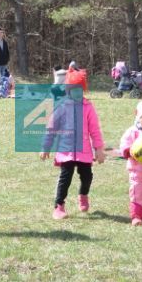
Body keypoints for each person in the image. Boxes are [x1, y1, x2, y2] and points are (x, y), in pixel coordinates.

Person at [40, 84, 106, 219]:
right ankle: (59, 206)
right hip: (66, 151)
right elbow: (51, 128)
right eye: (74, 90)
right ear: (68, 91)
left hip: (84, 151)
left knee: (87, 177)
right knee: (65, 178)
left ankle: (83, 195)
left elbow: (94, 130)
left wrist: (98, 149)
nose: (78, 93)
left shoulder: (88, 107)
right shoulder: (61, 107)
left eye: (80, 90)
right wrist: (46, 147)